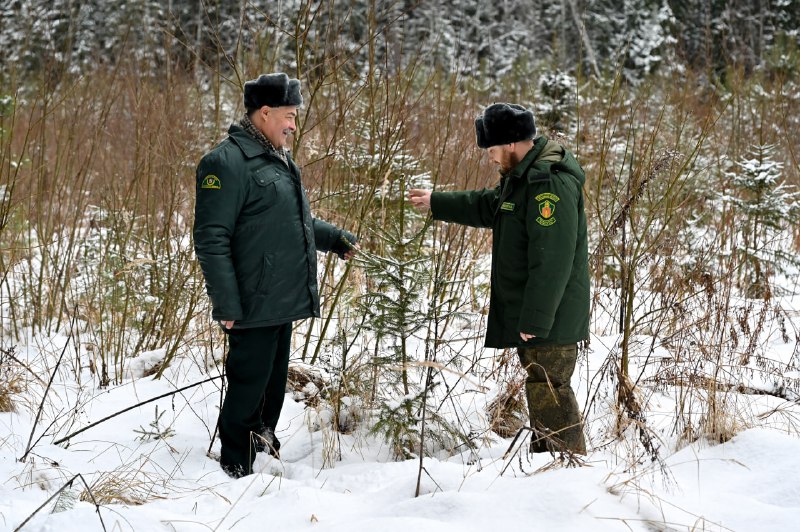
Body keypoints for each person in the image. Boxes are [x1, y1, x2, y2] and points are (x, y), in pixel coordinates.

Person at [193, 73, 357, 477]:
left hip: (281, 298)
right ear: (264, 113)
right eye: (289, 115)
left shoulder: (280, 158)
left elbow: (292, 221)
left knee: (271, 383)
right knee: (248, 384)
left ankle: (263, 441)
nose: (293, 125)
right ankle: (236, 463)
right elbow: (211, 238)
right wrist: (226, 302)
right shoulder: (225, 162)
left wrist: (334, 238)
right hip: (250, 300)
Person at [408, 103, 589, 453]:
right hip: (544, 313)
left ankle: (565, 470)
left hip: (552, 314)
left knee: (549, 385)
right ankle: (551, 463)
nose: (490, 158)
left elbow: (552, 258)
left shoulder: (547, 181)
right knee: (542, 383)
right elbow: (491, 206)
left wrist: (536, 316)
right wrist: (437, 201)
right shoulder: (523, 178)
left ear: (509, 143)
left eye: (491, 150)